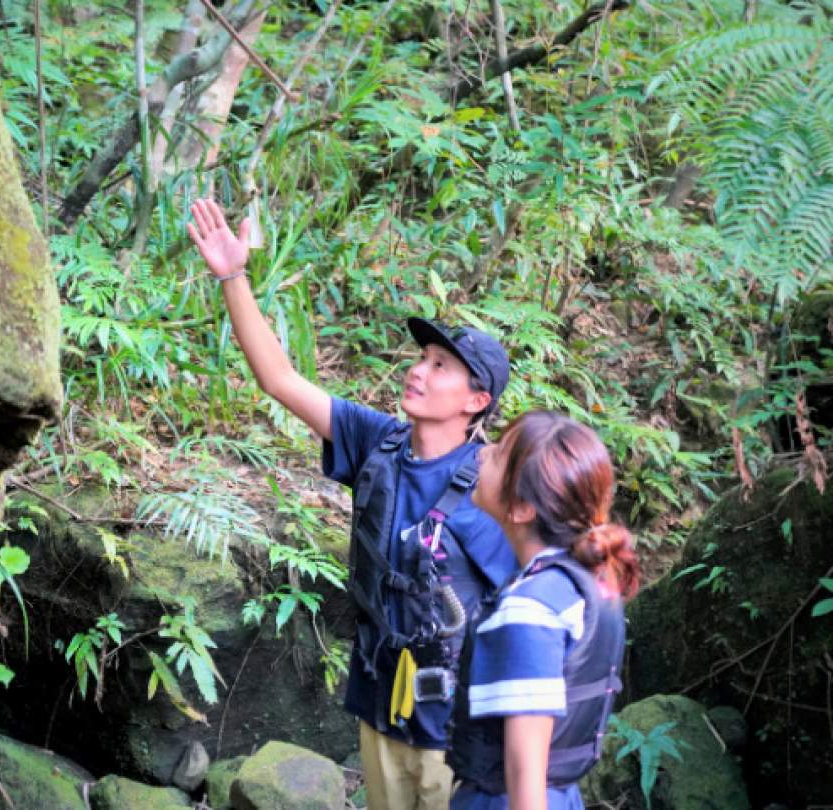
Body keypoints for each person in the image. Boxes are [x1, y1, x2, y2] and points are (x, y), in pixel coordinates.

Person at [187, 198, 517, 810]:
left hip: (463, 725)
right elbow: (279, 380)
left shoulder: (498, 480)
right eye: (422, 358)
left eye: (442, 366)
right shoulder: (377, 440)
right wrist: (233, 276)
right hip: (381, 703)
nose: (420, 370)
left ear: (476, 401)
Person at [447, 411, 641, 810]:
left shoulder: (530, 608)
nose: (483, 455)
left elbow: (525, 770)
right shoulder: (588, 585)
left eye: (499, 455)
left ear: (521, 508)